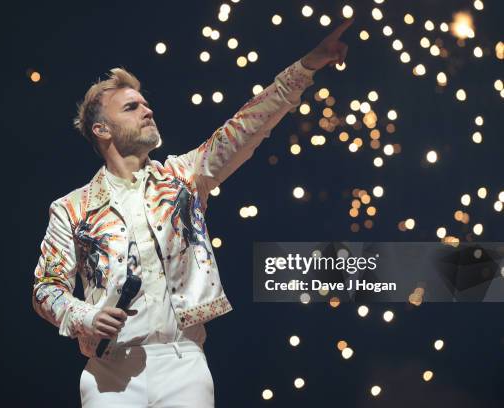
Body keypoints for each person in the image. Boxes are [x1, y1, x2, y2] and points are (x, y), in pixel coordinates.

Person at [32, 18, 352, 408]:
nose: (147, 111)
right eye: (132, 107)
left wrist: (307, 66)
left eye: (146, 104)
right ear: (102, 130)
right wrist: (86, 316)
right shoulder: (71, 208)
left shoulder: (184, 177)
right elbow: (46, 288)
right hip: (108, 375)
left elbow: (247, 125)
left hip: (182, 363)